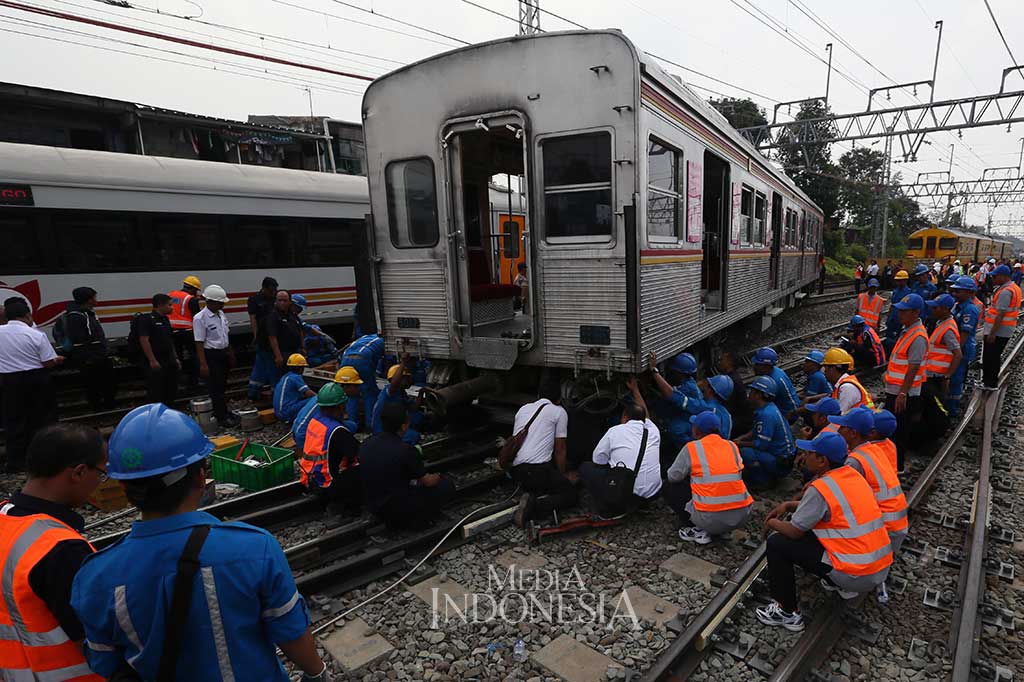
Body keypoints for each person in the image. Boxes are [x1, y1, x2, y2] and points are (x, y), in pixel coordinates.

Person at [71, 404, 329, 682]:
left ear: (124, 487)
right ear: (199, 477)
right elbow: (290, 633)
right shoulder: (254, 549)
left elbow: (106, 664)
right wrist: (317, 674)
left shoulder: (93, 578)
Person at [0, 424, 106, 682]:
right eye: (101, 473)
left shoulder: (4, 518)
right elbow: (100, 640)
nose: (100, 482)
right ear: (79, 473)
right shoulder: (61, 549)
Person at [756, 431, 892, 631]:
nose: (806, 455)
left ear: (822, 461)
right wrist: (789, 505)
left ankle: (787, 612)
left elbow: (794, 532)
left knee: (777, 543)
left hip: (854, 574)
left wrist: (772, 523)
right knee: (814, 529)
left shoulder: (821, 487)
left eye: (811, 453)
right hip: (877, 568)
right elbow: (823, 509)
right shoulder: (853, 476)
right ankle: (839, 584)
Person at [359, 402, 454, 530]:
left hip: (372, 504)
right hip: (397, 508)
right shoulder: (406, 450)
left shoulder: (366, 444)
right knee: (445, 485)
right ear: (403, 426)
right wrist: (437, 476)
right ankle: (420, 519)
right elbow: (428, 482)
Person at [831, 407, 908, 563]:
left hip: (881, 536)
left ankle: (841, 577)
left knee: (829, 518)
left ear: (853, 433)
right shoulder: (876, 449)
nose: (838, 430)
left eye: (842, 427)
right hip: (896, 528)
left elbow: (837, 499)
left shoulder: (855, 461)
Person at [664, 410, 753, 544]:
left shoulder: (692, 447)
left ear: (697, 431)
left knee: (669, 486)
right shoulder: (732, 446)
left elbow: (673, 477)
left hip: (709, 518)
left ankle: (698, 528)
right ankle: (722, 529)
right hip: (741, 516)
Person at [582, 381, 662, 519]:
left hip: (624, 492)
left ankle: (611, 508)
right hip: (652, 493)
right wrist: (636, 390)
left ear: (624, 417)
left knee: (587, 468)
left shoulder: (615, 431)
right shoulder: (653, 430)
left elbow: (598, 459)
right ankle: (642, 506)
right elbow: (646, 415)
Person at [0, 297, 62, 472]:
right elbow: (48, 362)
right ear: (27, 316)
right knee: (42, 420)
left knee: (13, 421)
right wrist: (57, 360)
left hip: (9, 381)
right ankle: (43, 459)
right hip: (37, 380)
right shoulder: (35, 334)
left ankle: (15, 462)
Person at [506, 381, 578, 528]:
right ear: (559, 400)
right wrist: (563, 476)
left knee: (543, 480)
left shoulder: (523, 409)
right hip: (537, 472)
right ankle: (533, 507)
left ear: (538, 395)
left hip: (516, 472)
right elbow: (560, 449)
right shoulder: (559, 412)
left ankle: (531, 492)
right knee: (571, 495)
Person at [300, 383, 361, 515]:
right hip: (327, 486)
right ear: (340, 406)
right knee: (363, 469)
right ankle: (347, 508)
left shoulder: (315, 421)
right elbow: (358, 453)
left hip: (310, 480)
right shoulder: (336, 431)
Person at [884, 294, 929, 473]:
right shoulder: (909, 331)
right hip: (896, 390)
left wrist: (903, 393)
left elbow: (913, 367)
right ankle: (893, 464)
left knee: (899, 431)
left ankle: (897, 466)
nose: (899, 314)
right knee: (893, 429)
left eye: (904, 311)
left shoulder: (917, 336)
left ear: (916, 312)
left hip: (903, 394)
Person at [733, 376, 795, 489]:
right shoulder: (768, 408)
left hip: (781, 462)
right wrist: (743, 437)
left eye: (752, 391)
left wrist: (740, 443)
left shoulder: (766, 415)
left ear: (759, 395)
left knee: (746, 453)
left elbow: (761, 445)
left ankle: (763, 481)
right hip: (783, 458)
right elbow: (756, 430)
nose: (749, 394)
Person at [60, 286, 115, 410]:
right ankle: (100, 408)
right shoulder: (78, 316)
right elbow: (81, 338)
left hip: (95, 355)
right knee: (97, 385)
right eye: (95, 297)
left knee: (102, 384)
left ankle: (103, 407)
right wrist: (92, 357)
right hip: (92, 358)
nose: (97, 300)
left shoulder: (85, 313)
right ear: (88, 300)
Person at [193, 284, 238, 428]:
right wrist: (203, 364)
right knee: (215, 388)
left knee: (223, 386)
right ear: (210, 302)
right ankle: (221, 417)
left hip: (222, 353)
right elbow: (199, 342)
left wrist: (230, 353)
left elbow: (226, 335)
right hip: (211, 355)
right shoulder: (200, 318)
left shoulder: (221, 315)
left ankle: (224, 411)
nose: (223, 304)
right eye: (220, 302)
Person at [253, 290, 304, 399]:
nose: (282, 303)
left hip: (289, 350)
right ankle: (275, 396)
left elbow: (299, 330)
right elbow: (272, 337)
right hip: (275, 352)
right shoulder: (272, 316)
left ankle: (286, 394)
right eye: (279, 300)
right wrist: (278, 356)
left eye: (284, 300)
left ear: (290, 302)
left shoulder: (292, 315)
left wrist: (302, 347)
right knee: (275, 376)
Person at [649, 351, 701, 449]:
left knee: (675, 430)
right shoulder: (690, 383)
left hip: (687, 423)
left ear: (680, 373)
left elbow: (671, 394)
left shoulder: (688, 388)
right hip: (687, 419)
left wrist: (654, 371)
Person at [136, 293, 181, 406]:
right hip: (157, 359)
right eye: (169, 305)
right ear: (160, 306)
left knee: (170, 388)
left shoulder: (165, 319)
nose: (172, 308)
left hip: (168, 358)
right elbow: (144, 340)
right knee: (156, 389)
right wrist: (152, 360)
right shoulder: (147, 320)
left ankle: (169, 408)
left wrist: (175, 358)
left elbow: (170, 340)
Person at [981, 264, 1021, 388]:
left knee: (991, 357)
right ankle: (988, 381)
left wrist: (992, 333)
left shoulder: (1006, 291)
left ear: (1004, 276)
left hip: (998, 330)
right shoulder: (1014, 287)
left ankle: (989, 383)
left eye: (995, 276)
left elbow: (1000, 314)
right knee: (993, 356)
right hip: (1004, 329)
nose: (993, 279)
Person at [948, 276, 981, 415]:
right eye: (954, 291)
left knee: (956, 378)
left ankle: (952, 408)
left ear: (969, 292)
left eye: (959, 291)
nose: (955, 294)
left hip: (962, 349)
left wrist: (955, 352)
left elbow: (964, 334)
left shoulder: (969, 310)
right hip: (956, 348)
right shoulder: (957, 306)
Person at [339, 334, 386, 430]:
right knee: (369, 392)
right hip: (362, 360)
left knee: (351, 394)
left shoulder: (365, 337)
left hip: (345, 359)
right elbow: (385, 360)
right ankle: (370, 425)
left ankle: (352, 425)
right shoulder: (383, 341)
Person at [371, 361, 424, 445]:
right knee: (413, 436)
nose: (410, 380)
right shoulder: (390, 391)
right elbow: (394, 384)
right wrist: (403, 362)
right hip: (382, 430)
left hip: (393, 425)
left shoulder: (401, 393)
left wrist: (421, 394)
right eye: (406, 378)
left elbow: (413, 408)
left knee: (418, 416)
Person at [923, 294, 962, 406]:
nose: (932, 310)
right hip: (931, 373)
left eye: (936, 308)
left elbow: (958, 354)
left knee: (935, 405)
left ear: (945, 309)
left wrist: (947, 376)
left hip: (937, 376)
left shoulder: (948, 329)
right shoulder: (941, 323)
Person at [247, 276, 279, 400]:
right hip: (263, 337)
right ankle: (270, 391)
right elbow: (253, 319)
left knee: (263, 365)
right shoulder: (254, 300)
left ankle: (255, 391)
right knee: (270, 366)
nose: (273, 293)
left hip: (273, 335)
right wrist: (255, 336)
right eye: (271, 290)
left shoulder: (275, 299)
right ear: (264, 288)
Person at [168, 275, 203, 387]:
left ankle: (177, 381)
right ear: (193, 289)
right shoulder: (190, 299)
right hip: (187, 331)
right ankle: (195, 380)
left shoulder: (171, 295)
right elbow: (197, 317)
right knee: (194, 355)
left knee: (177, 356)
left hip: (171, 331)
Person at [752, 347, 800, 420]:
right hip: (788, 409)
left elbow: (761, 403)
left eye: (757, 364)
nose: (754, 367)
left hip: (787, 415)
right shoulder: (775, 371)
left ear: (766, 366)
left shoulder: (773, 381)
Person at [821, 347, 874, 413]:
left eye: (825, 368)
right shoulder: (842, 384)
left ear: (833, 368)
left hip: (860, 422)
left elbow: (839, 415)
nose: (824, 372)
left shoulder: (847, 388)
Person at [273, 354, 315, 423]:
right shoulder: (296, 377)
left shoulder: (286, 377)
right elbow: (309, 394)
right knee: (315, 400)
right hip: (286, 413)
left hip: (279, 413)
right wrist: (322, 397)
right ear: (300, 368)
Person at [716, 350, 751, 435]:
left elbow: (728, 407)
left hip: (738, 420)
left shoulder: (731, 381)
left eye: (722, 359)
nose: (719, 362)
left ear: (729, 362)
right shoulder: (732, 377)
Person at [884, 269, 912, 351]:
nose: (898, 282)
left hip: (901, 320)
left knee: (897, 341)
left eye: (900, 281)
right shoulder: (895, 291)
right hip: (893, 318)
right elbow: (892, 305)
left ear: (905, 280)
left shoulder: (909, 293)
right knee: (889, 339)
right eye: (897, 281)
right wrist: (889, 317)